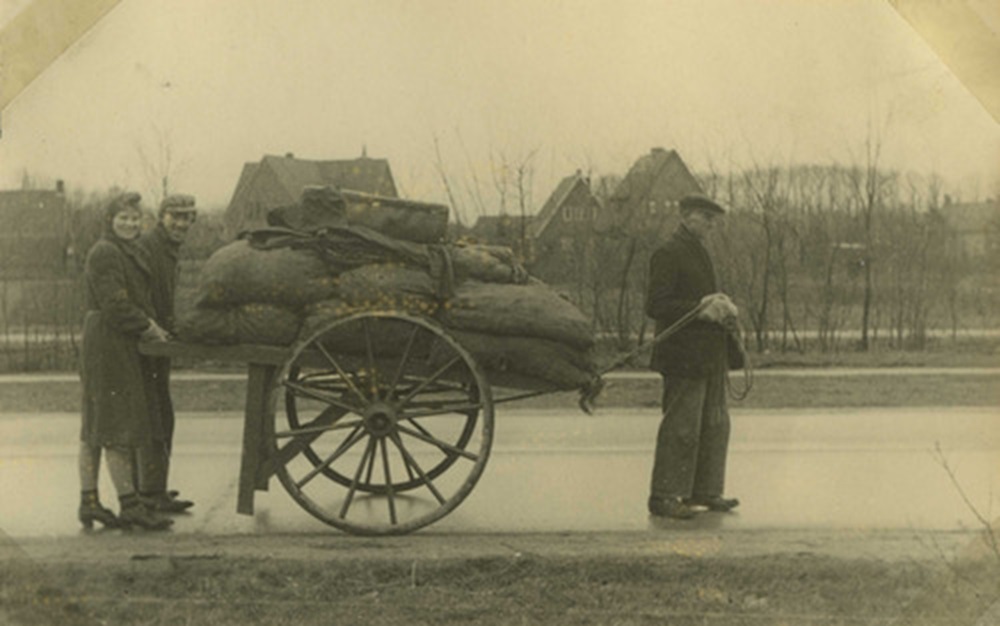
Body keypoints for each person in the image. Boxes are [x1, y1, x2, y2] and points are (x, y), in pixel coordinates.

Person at [78, 192, 173, 530]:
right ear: (110, 220)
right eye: (124, 218)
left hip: (113, 336)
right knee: (116, 423)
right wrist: (148, 327)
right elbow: (116, 305)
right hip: (109, 339)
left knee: (96, 424)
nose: (131, 223)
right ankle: (129, 506)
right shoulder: (106, 252)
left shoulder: (126, 250)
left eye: (135, 218)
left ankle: (89, 502)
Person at [645, 193, 740, 520]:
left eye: (714, 219)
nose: (712, 224)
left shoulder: (698, 251)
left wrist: (718, 306)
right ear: (686, 217)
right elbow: (656, 305)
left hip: (709, 355)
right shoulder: (668, 253)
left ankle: (706, 492)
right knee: (682, 427)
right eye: (705, 217)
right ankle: (665, 496)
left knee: (715, 425)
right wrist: (701, 308)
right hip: (682, 356)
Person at [135, 193, 198, 513]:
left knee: (162, 414)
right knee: (152, 417)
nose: (181, 223)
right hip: (145, 341)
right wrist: (153, 325)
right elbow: (139, 292)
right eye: (175, 216)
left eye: (187, 217)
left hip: (160, 339)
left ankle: (155, 489)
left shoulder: (170, 250)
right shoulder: (148, 246)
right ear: (162, 217)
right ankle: (148, 493)